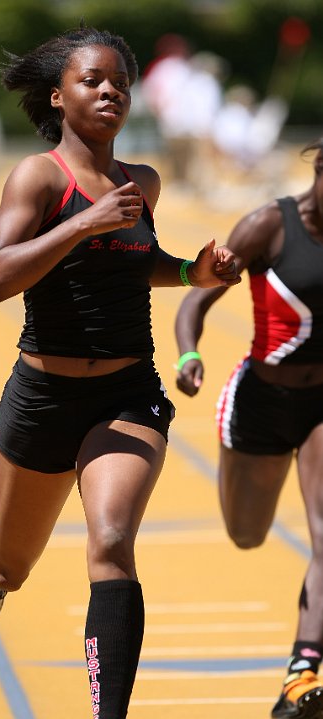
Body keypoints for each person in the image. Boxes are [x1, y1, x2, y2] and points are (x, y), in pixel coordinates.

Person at [0, 26, 240, 719]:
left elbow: (134, 261)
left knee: (112, 539)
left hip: (126, 393)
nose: (110, 90)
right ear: (57, 97)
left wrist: (190, 272)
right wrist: (80, 226)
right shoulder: (38, 178)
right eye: (93, 79)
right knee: (12, 567)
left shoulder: (139, 183)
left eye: (120, 80)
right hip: (43, 397)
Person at [174, 137, 323, 719]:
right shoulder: (270, 226)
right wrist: (188, 355)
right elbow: (197, 301)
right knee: (246, 535)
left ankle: (301, 674)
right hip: (260, 400)